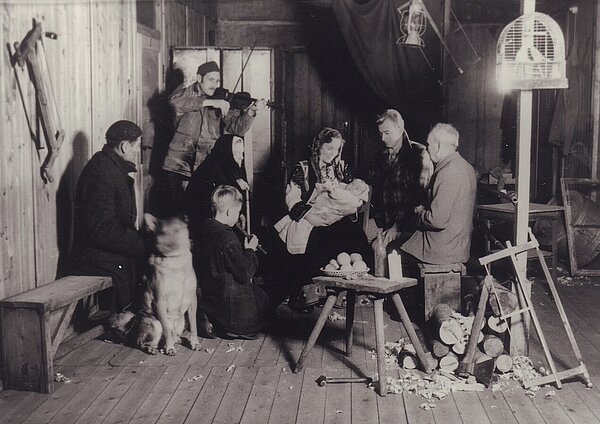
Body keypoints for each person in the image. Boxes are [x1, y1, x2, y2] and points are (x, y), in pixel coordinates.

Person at [281, 127, 371, 309]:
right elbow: (292, 201)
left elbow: (353, 195)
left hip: (338, 216)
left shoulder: (341, 168)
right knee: (316, 238)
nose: (333, 153)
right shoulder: (303, 168)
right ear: (318, 146)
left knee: (355, 234)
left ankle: (348, 290)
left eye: (337, 149)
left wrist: (349, 205)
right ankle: (314, 292)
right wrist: (311, 217)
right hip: (312, 216)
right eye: (329, 148)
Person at [162, 60, 264, 212]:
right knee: (176, 212)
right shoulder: (185, 93)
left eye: (217, 81)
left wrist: (251, 112)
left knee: (198, 212)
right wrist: (209, 102)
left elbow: (237, 129)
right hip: (177, 165)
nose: (214, 84)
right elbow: (175, 103)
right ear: (199, 78)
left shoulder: (222, 100)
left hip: (203, 167)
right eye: (211, 79)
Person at [69, 120, 145, 315]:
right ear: (124, 146)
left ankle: (138, 315)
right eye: (137, 147)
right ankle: (126, 319)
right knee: (139, 257)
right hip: (92, 253)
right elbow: (100, 229)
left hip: (103, 247)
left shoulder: (111, 167)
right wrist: (139, 242)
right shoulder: (101, 172)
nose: (137, 152)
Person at [194, 185, 272, 340]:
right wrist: (250, 250)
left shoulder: (205, 228)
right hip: (229, 306)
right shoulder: (228, 239)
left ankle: (213, 321)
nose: (238, 216)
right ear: (230, 211)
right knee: (267, 307)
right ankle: (234, 328)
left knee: (259, 296)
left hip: (212, 297)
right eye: (238, 212)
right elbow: (245, 273)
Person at [401, 123, 477, 274]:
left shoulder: (448, 172)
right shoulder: (466, 167)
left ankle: (408, 297)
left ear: (437, 145)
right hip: (457, 245)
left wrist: (419, 212)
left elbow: (437, 220)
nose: (427, 149)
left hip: (442, 251)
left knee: (393, 255)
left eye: (429, 144)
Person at [365, 109, 433, 248]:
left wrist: (396, 226)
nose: (383, 138)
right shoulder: (380, 155)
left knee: (378, 248)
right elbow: (371, 185)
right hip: (382, 220)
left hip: (408, 225)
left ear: (400, 128)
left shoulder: (419, 154)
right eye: (381, 133)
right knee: (356, 239)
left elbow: (416, 197)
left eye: (387, 133)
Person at [185, 134, 249, 240]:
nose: (241, 157)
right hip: (205, 225)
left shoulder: (235, 168)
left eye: (242, 153)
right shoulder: (208, 170)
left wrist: (241, 213)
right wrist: (234, 183)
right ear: (227, 153)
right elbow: (214, 200)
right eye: (238, 153)